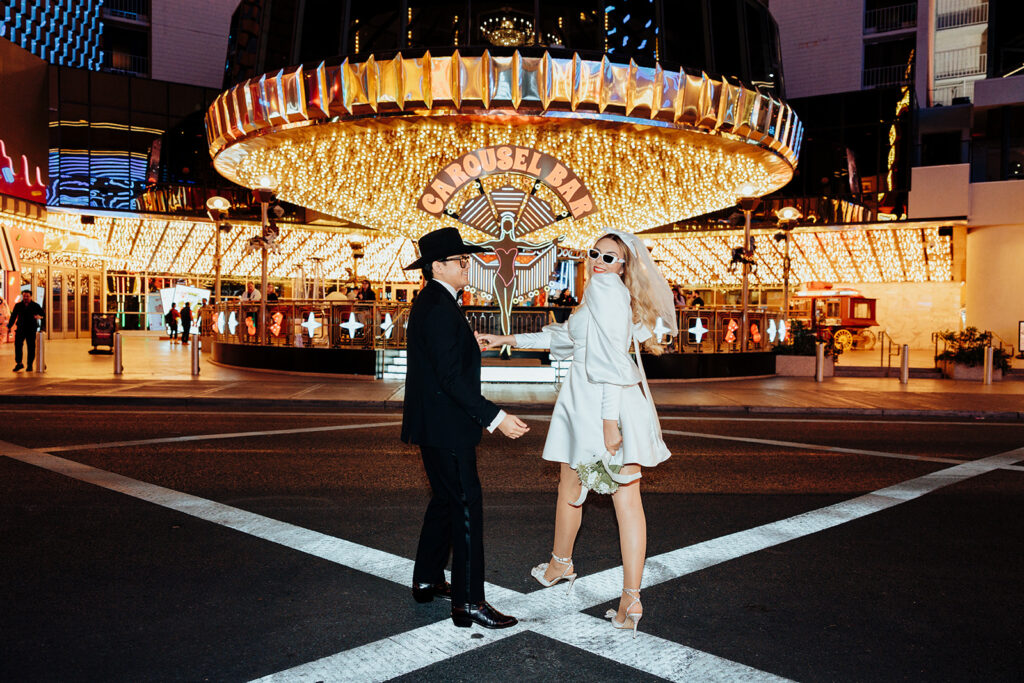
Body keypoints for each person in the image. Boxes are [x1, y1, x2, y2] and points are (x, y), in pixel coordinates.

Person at [479, 229, 677, 637]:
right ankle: (583, 575)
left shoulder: (606, 290)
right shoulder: (607, 294)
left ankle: (590, 577)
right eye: (595, 254)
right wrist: (508, 339)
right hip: (603, 403)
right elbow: (566, 337)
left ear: (624, 266)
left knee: (600, 492)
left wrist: (608, 424)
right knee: (594, 490)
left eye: (610, 258)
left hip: (601, 405)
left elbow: (608, 363)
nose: (599, 262)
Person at [401, 226, 530, 630]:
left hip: (437, 425)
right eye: (460, 260)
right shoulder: (439, 307)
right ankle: (470, 603)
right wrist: (497, 418)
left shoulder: (437, 302)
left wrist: (471, 343)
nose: (466, 265)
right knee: (466, 510)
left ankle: (426, 578)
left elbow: (445, 360)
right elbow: (451, 379)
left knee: (445, 500)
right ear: (437, 266)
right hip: (448, 428)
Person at [7, 290, 45, 371]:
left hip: (31, 329)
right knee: (18, 346)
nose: (25, 298)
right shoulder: (18, 305)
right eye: (24, 296)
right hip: (20, 328)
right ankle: (19, 363)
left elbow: (43, 315)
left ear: (31, 297)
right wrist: (9, 326)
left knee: (31, 347)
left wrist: (39, 317)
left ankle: (30, 365)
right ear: (22, 296)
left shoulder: (35, 305)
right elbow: (13, 316)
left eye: (27, 296)